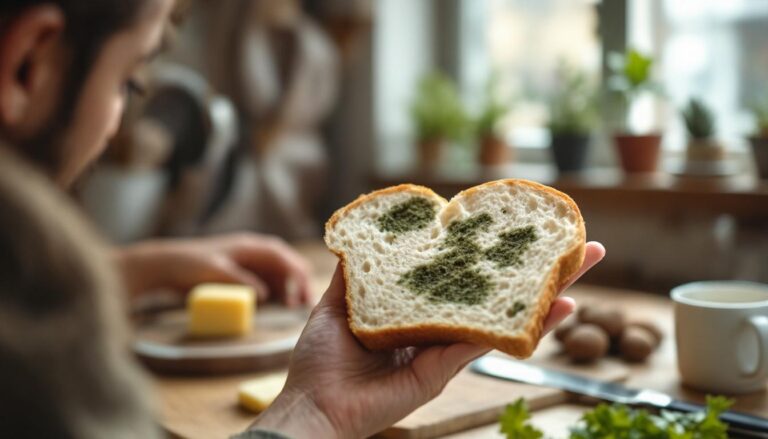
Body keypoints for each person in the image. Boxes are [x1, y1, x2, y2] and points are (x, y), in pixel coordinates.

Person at [0, 1, 606, 438]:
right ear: (29, 64)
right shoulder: (32, 350)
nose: (116, 126)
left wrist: (142, 268)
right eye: (130, 81)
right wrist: (311, 417)